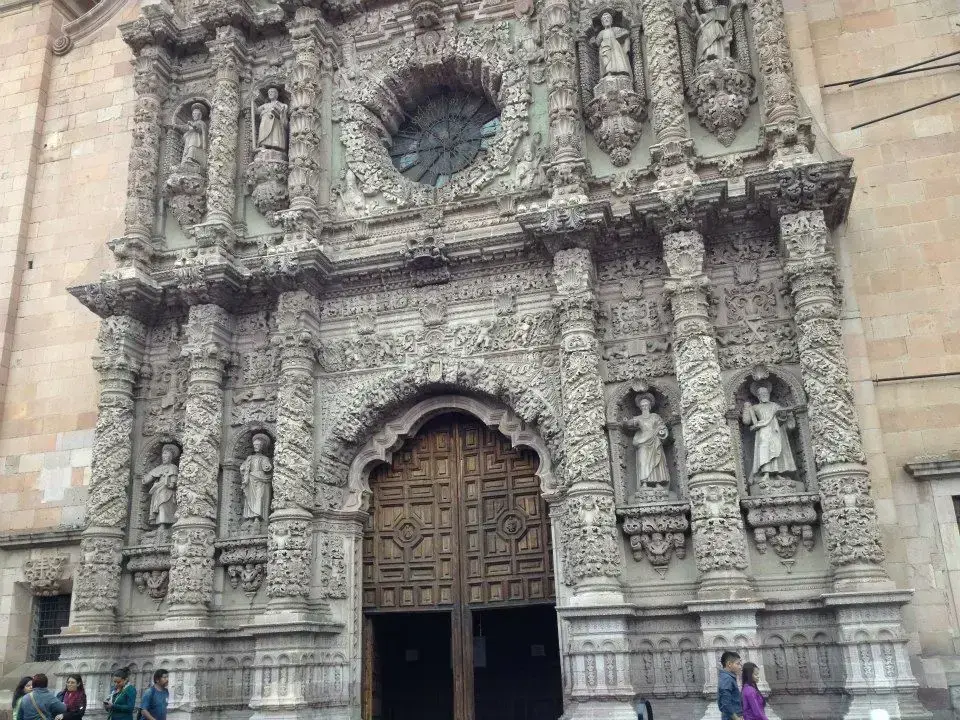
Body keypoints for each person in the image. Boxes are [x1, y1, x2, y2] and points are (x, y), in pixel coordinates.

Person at [717, 651, 744, 720]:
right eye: (738, 664)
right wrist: (736, 718)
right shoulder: (727, 678)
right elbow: (725, 702)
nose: (740, 667)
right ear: (729, 664)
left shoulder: (728, 677)